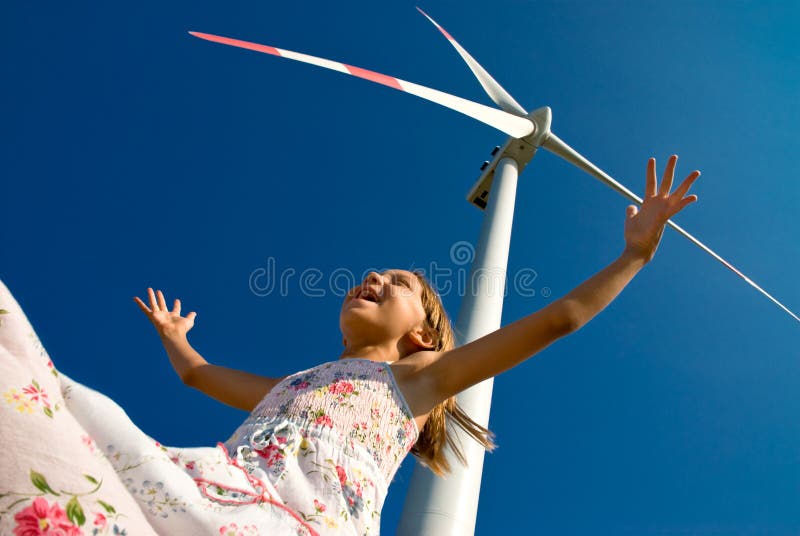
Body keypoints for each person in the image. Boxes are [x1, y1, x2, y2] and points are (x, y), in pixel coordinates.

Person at [0, 155, 699, 535]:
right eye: (373, 273)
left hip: (296, 525)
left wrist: (633, 256)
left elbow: (558, 321)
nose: (372, 276)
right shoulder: (296, 384)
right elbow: (200, 379)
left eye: (395, 283)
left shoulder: (411, 387)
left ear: (423, 336)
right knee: (50, 410)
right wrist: (179, 342)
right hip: (207, 495)